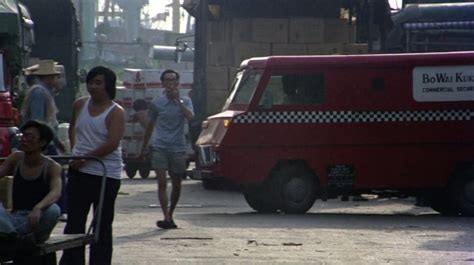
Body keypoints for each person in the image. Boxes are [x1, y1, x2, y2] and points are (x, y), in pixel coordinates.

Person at [60, 66, 124, 265]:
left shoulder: (116, 112)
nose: (93, 87)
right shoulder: (80, 104)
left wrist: (86, 157)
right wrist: (75, 153)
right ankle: (72, 261)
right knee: (74, 222)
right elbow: (72, 127)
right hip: (79, 171)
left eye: (98, 83)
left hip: (105, 174)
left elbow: (112, 143)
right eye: (91, 82)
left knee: (101, 224)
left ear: (108, 86)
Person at [140, 69, 194, 229]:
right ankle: (166, 216)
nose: (170, 83)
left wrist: (178, 102)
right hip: (159, 146)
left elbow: (190, 117)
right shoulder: (157, 103)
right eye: (167, 81)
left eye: (173, 81)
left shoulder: (185, 100)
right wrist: (144, 147)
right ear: (162, 83)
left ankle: (171, 213)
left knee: (177, 183)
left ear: (178, 83)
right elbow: (150, 125)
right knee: (162, 182)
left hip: (178, 147)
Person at [0, 120, 62, 250]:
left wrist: (38, 208)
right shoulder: (16, 158)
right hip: (14, 219)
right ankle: (13, 236)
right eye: (23, 136)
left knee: (54, 210)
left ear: (42, 142)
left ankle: (14, 236)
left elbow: (56, 191)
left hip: (36, 221)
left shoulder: (52, 167)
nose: (24, 140)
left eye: (30, 137)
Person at [21, 60, 68, 221]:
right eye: (55, 77)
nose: (57, 80)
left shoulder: (44, 92)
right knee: (56, 174)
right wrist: (43, 142)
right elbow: (39, 121)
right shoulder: (39, 93)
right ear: (48, 77)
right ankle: (59, 209)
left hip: (46, 139)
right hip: (42, 142)